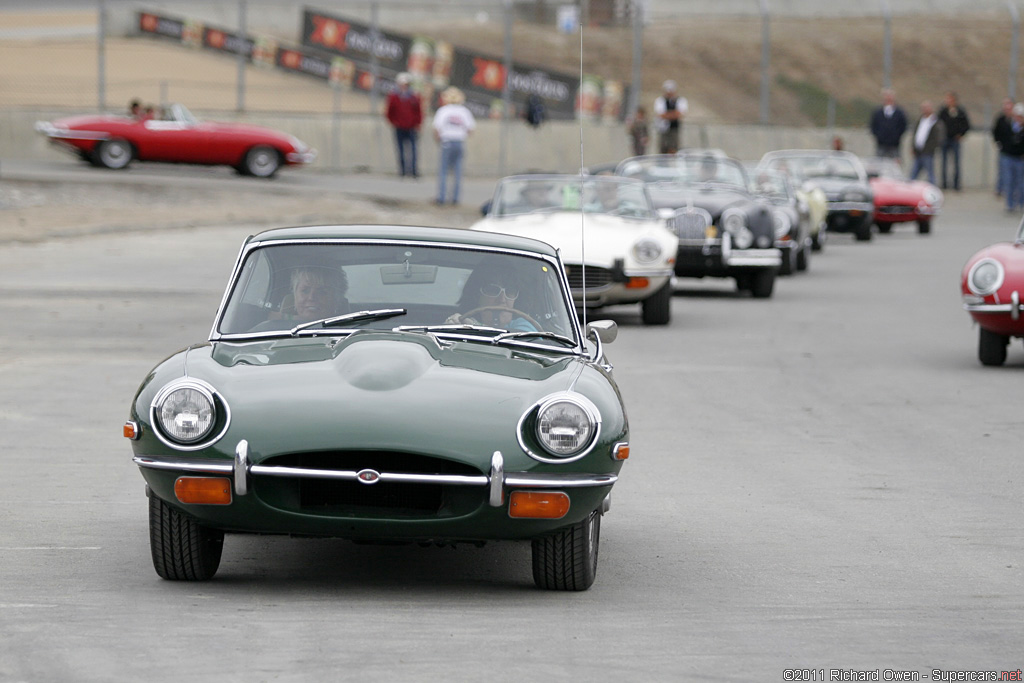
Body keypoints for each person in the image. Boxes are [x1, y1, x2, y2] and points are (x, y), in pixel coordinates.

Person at [445, 262, 536, 332]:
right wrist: (451, 326)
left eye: (510, 292)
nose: (502, 300)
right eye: (493, 290)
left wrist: (475, 326)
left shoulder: (524, 325)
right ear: (476, 295)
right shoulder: (462, 323)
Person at [432, 87, 476, 205]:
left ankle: (441, 198)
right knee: (457, 171)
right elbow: (470, 129)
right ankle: (455, 198)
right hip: (459, 142)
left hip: (447, 142)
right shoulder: (464, 111)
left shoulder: (443, 110)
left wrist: (439, 139)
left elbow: (437, 129)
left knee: (443, 171)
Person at [386, 72, 423, 178]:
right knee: (400, 149)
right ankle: (402, 171)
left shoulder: (414, 96)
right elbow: (389, 111)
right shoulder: (394, 96)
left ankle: (414, 171)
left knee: (413, 150)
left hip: (411, 127)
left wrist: (417, 123)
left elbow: (419, 112)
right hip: (399, 127)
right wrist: (394, 122)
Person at [938, 90, 970, 190]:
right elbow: (938, 124)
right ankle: (944, 183)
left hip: (955, 140)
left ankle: (956, 184)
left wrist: (961, 134)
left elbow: (966, 125)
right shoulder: (943, 111)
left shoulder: (960, 111)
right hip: (945, 139)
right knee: (944, 162)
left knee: (956, 163)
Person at [909, 100, 945, 185]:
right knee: (914, 172)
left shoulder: (935, 121)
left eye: (926, 108)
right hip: (918, 151)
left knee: (930, 172)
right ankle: (909, 189)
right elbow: (916, 135)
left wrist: (932, 147)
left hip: (928, 151)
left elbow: (939, 137)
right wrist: (913, 146)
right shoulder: (920, 120)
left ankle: (933, 188)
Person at [868, 88, 908, 158]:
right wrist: (879, 136)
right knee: (879, 163)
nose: (888, 98)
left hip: (894, 145)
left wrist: (896, 137)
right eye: (886, 96)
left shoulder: (899, 113)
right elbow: (873, 126)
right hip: (881, 144)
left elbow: (903, 126)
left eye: (890, 96)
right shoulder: (878, 112)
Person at [653, 80, 687, 154]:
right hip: (663, 129)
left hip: (674, 128)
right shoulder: (660, 100)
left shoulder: (680, 100)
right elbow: (661, 114)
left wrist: (668, 115)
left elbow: (679, 114)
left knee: (674, 147)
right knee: (663, 148)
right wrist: (673, 114)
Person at [1002, 103, 1024, 213]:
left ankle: (1021, 203)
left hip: (1020, 158)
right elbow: (1001, 136)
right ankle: (1010, 204)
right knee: (1009, 181)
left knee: (1021, 182)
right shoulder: (1008, 125)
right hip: (1009, 156)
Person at [992, 97, 1014, 197]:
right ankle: (1000, 189)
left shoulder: (1016, 120)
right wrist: (998, 142)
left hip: (1015, 151)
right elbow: (995, 132)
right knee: (1002, 170)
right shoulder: (1000, 119)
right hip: (1004, 149)